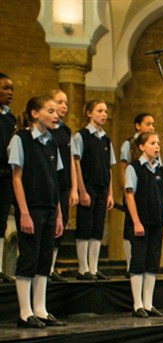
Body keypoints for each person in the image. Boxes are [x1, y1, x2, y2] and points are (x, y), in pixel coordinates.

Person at [8, 96, 66, 328]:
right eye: (50, 111)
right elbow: (16, 177)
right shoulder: (21, 139)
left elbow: (55, 179)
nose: (56, 115)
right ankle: (25, 312)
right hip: (31, 208)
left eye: (56, 112)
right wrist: (23, 211)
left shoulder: (52, 142)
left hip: (51, 208)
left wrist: (59, 213)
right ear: (34, 113)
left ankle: (40, 309)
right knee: (29, 258)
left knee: (44, 260)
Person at [124, 132, 163, 318]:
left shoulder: (162, 171)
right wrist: (136, 221)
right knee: (139, 261)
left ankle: (149, 304)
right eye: (152, 143)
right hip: (141, 223)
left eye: (158, 143)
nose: (157, 146)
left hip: (157, 222)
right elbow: (129, 195)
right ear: (142, 147)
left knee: (153, 262)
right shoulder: (133, 168)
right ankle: (138, 304)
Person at [73, 99, 115, 281]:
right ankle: (83, 268)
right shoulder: (81, 136)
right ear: (89, 113)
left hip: (102, 187)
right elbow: (76, 164)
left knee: (97, 226)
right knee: (85, 225)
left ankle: (94, 267)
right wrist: (82, 190)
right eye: (99, 111)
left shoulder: (106, 139)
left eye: (105, 111)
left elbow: (109, 168)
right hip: (88, 186)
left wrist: (110, 193)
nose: (104, 114)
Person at [119, 113, 155, 274]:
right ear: (138, 125)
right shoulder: (129, 144)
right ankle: (130, 264)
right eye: (148, 123)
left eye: (153, 124)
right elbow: (122, 168)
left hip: (149, 192)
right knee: (130, 227)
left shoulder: (154, 146)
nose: (151, 127)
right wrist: (126, 190)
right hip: (133, 189)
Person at [48, 89, 78, 283]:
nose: (64, 106)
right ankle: (43, 267)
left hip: (64, 184)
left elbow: (71, 160)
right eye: (60, 102)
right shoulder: (46, 130)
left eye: (66, 103)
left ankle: (51, 267)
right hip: (49, 184)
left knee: (61, 226)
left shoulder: (66, 131)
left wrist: (74, 188)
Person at [0, 72, 16, 283]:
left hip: (5, 175)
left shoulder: (10, 118)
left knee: (1, 222)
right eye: (5, 88)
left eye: (12, 88)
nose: (10, 92)